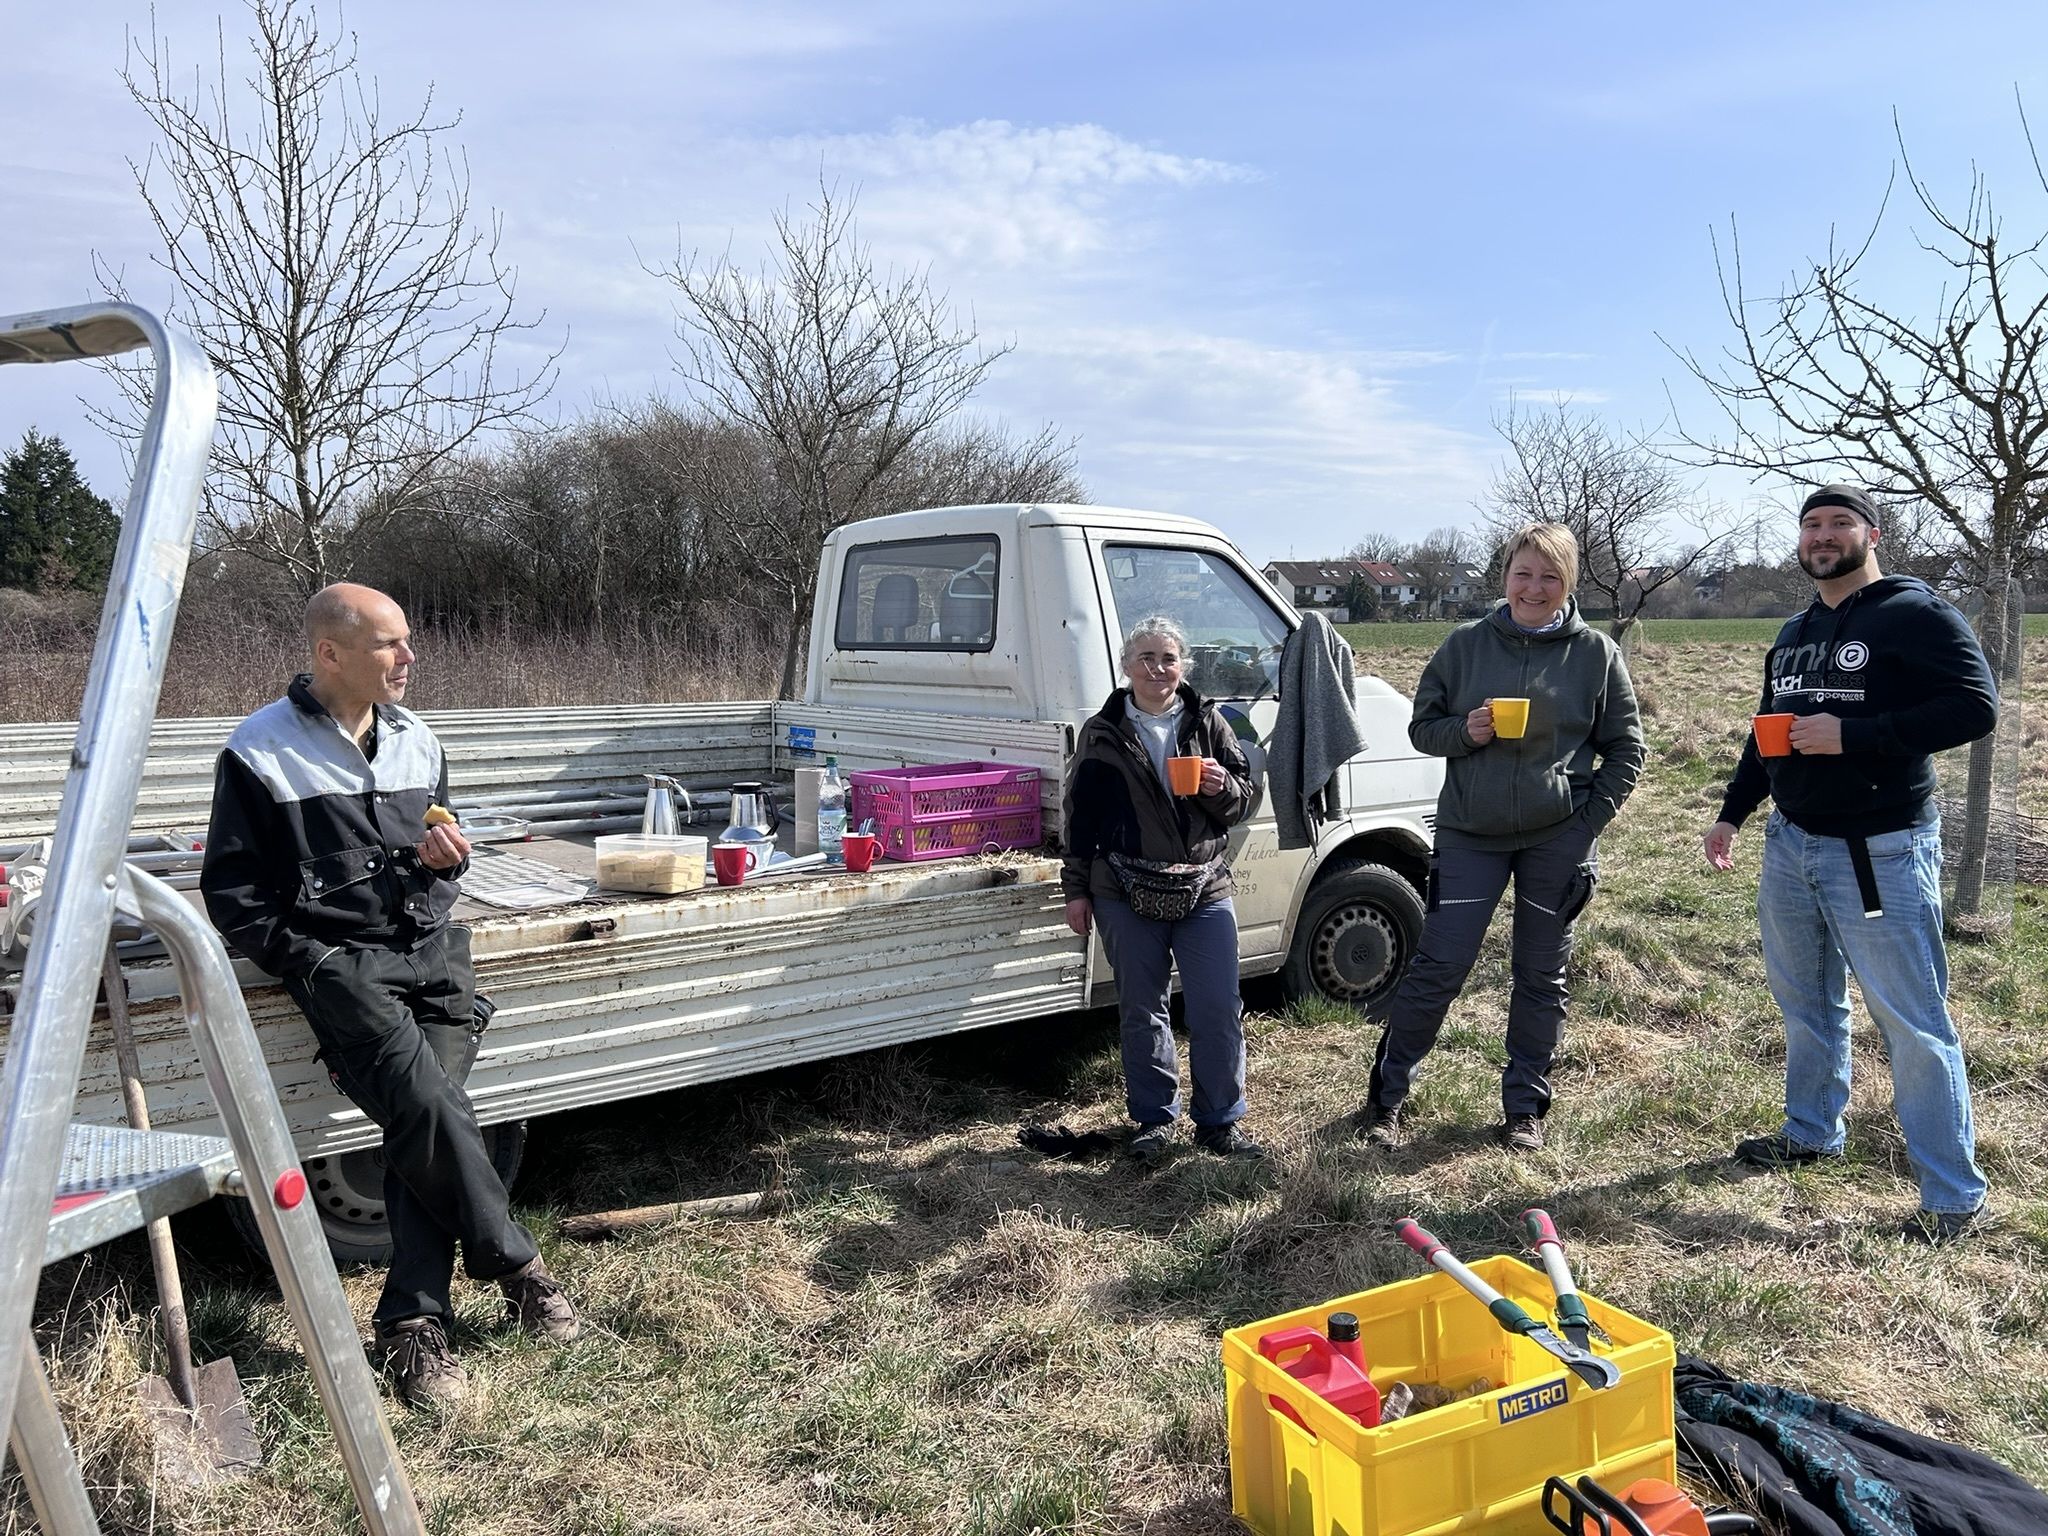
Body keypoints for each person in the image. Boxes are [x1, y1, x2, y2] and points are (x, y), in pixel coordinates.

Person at [200, 583, 579, 1408]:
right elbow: (231, 895)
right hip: (345, 968)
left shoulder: (418, 741)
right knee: (433, 1109)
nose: (410, 659)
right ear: (330, 654)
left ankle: (413, 1321)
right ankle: (514, 1266)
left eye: (408, 641)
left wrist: (446, 864)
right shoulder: (260, 752)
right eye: (390, 645)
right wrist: (317, 962)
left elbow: (423, 860)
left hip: (436, 955)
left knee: (426, 1118)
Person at [1702, 484, 1997, 1245]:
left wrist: (1856, 735)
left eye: (1838, 523)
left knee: (1912, 1022)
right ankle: (1811, 1131)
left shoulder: (1915, 612)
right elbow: (1765, 732)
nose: (1822, 536)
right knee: (1806, 1005)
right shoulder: (1795, 629)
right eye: (1811, 525)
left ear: (1871, 533)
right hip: (1792, 844)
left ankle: (1953, 1196)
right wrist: (1734, 813)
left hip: (1879, 852)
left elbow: (1975, 706)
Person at [1358, 523, 1643, 1153]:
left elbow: (1627, 748)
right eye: (1523, 572)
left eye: (1549, 576)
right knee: (1441, 965)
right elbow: (1422, 729)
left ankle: (1524, 1109)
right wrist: (1467, 732)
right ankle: (1386, 1097)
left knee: (1542, 974)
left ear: (1567, 583)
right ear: (1505, 575)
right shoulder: (1464, 645)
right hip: (1469, 833)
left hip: (1556, 839)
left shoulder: (1595, 653)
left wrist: (1585, 825)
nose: (1533, 587)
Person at [1061, 616, 1261, 1163]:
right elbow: (1079, 819)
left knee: (1218, 1006)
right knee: (1142, 1008)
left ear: (1183, 667)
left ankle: (1220, 1122)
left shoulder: (1211, 722)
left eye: (1168, 658)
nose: (1158, 668)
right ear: (1126, 667)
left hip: (1204, 885)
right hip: (1123, 890)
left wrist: (1224, 787)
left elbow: (1245, 800)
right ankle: (1154, 1121)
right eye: (1146, 658)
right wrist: (1076, 888)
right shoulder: (1102, 733)